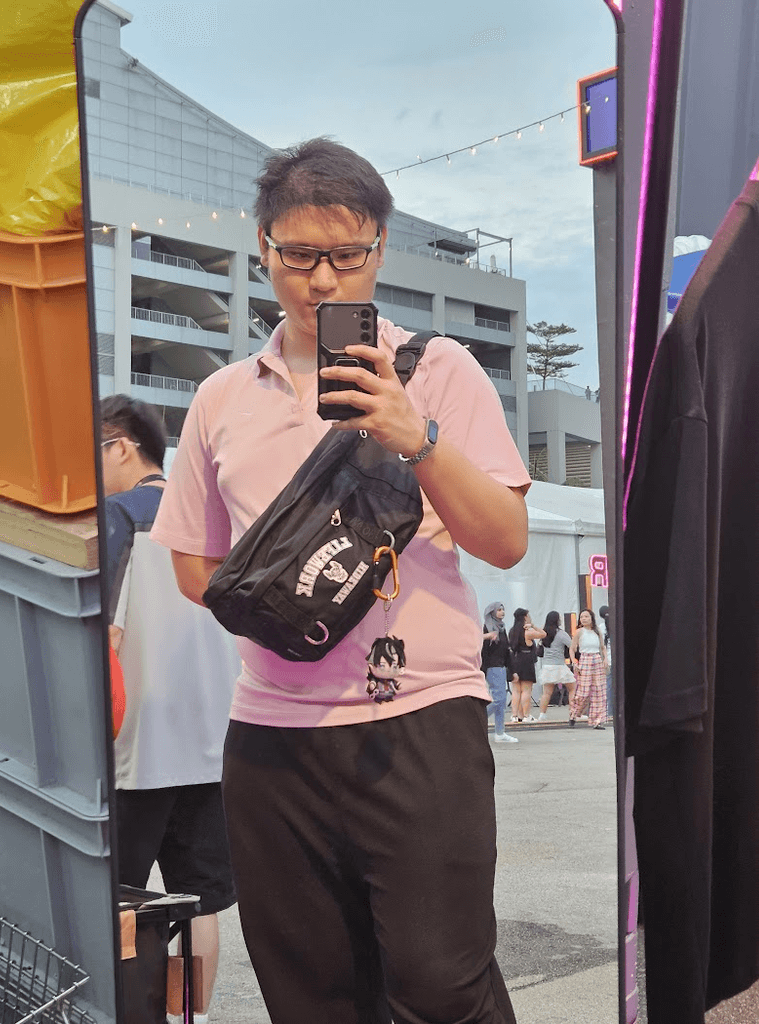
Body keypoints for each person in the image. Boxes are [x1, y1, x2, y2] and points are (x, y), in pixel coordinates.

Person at [149, 137, 531, 1024]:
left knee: (441, 986)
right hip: (272, 739)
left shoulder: (440, 370)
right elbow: (193, 563)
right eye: (299, 255)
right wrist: (285, 607)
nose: (322, 280)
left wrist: (416, 437)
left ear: (380, 249)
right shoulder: (221, 398)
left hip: (422, 719)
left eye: (347, 255)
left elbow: (506, 540)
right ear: (263, 247)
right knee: (311, 997)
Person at [100, 395, 241, 1021]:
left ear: (121, 446)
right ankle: (193, 1017)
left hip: (138, 744)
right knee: (200, 901)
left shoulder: (119, 517)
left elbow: (105, 633)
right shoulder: (216, 517)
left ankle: (123, 1011)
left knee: (117, 900)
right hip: (212, 740)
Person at [482, 602, 518, 744]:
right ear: (492, 612)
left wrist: (512, 671)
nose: (502, 612)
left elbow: (506, 651)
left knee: (501, 701)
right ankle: (479, 718)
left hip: (501, 667)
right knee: (499, 700)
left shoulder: (501, 628)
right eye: (498, 610)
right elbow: (482, 650)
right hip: (492, 667)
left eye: (503, 609)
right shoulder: (487, 628)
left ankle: (500, 732)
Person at [568, 608, 608, 730]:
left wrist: (605, 659)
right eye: (582, 617)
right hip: (585, 659)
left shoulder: (597, 631)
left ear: (591, 618)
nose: (584, 619)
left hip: (597, 659)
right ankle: (574, 714)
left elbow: (602, 647)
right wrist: (574, 662)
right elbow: (572, 648)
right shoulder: (579, 632)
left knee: (599, 691)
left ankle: (598, 720)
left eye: (586, 616)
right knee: (583, 692)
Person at [507, 608, 545, 723]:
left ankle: (515, 715)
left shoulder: (512, 631)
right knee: (526, 690)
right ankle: (526, 715)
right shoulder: (527, 632)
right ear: (525, 617)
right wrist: (533, 626)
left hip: (514, 661)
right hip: (526, 661)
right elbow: (543, 634)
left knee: (516, 690)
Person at [537, 611, 576, 721]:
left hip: (547, 666)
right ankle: (573, 712)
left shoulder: (543, 634)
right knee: (572, 688)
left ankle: (542, 714)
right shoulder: (561, 634)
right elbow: (572, 645)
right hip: (559, 665)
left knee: (546, 693)